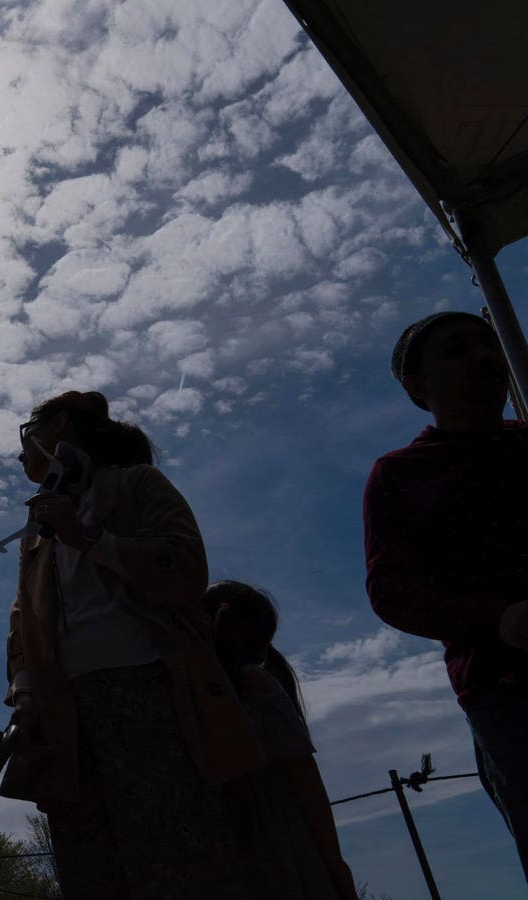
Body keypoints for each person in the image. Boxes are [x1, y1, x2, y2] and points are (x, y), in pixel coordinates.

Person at [0, 390, 262, 900]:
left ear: (59, 431)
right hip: (64, 714)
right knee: (91, 869)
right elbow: (22, 623)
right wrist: (25, 693)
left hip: (151, 691)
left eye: (28, 434)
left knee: (178, 858)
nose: (20, 452)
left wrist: (89, 539)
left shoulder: (136, 485)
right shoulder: (37, 533)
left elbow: (186, 568)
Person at [364, 310, 528, 878]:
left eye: (488, 342)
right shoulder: (402, 474)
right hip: (510, 686)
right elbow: (390, 589)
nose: (484, 355)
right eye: (457, 349)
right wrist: (498, 619)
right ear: (417, 385)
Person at [204, 581, 359, 900]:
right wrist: (335, 866)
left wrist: (335, 866)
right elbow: (307, 781)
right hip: (271, 844)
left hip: (269, 846)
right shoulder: (240, 685)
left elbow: (303, 776)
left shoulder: (251, 684)